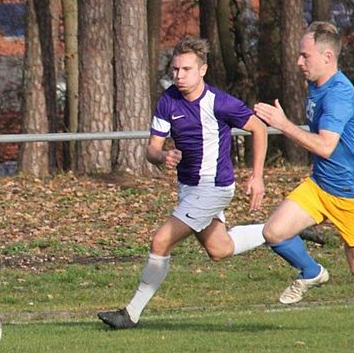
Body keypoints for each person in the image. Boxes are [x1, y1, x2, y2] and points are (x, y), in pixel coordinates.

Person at [253, 21, 354, 329]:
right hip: (321, 185)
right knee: (274, 232)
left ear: (327, 57)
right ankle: (312, 272)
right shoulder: (317, 85)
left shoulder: (338, 94)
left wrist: (283, 124)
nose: (299, 62)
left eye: (305, 56)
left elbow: (326, 146)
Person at [98, 37, 268, 329]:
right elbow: (152, 150)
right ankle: (279, 230)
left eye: (186, 69)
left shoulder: (219, 102)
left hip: (214, 187)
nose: (179, 75)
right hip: (189, 188)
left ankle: (130, 314)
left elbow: (259, 128)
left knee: (161, 240)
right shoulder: (169, 100)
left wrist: (257, 176)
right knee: (219, 249)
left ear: (203, 70)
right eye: (175, 69)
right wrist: (162, 156)